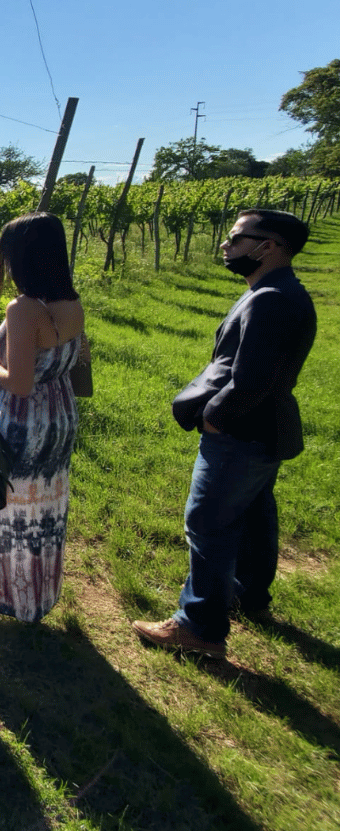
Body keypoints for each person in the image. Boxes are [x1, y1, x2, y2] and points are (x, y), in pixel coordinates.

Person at [133, 209, 316, 659]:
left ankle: (199, 626)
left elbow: (250, 380)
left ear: (268, 246)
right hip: (261, 431)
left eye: (237, 239)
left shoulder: (271, 299)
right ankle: (246, 594)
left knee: (209, 524)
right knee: (252, 515)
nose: (226, 246)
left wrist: (215, 417)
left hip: (239, 432)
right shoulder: (277, 291)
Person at [0, 212, 85, 623]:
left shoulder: (22, 309)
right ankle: (38, 595)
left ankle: (8, 597)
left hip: (21, 420)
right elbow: (80, 370)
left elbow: (18, 383)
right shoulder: (71, 304)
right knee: (45, 512)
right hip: (60, 415)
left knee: (9, 511)